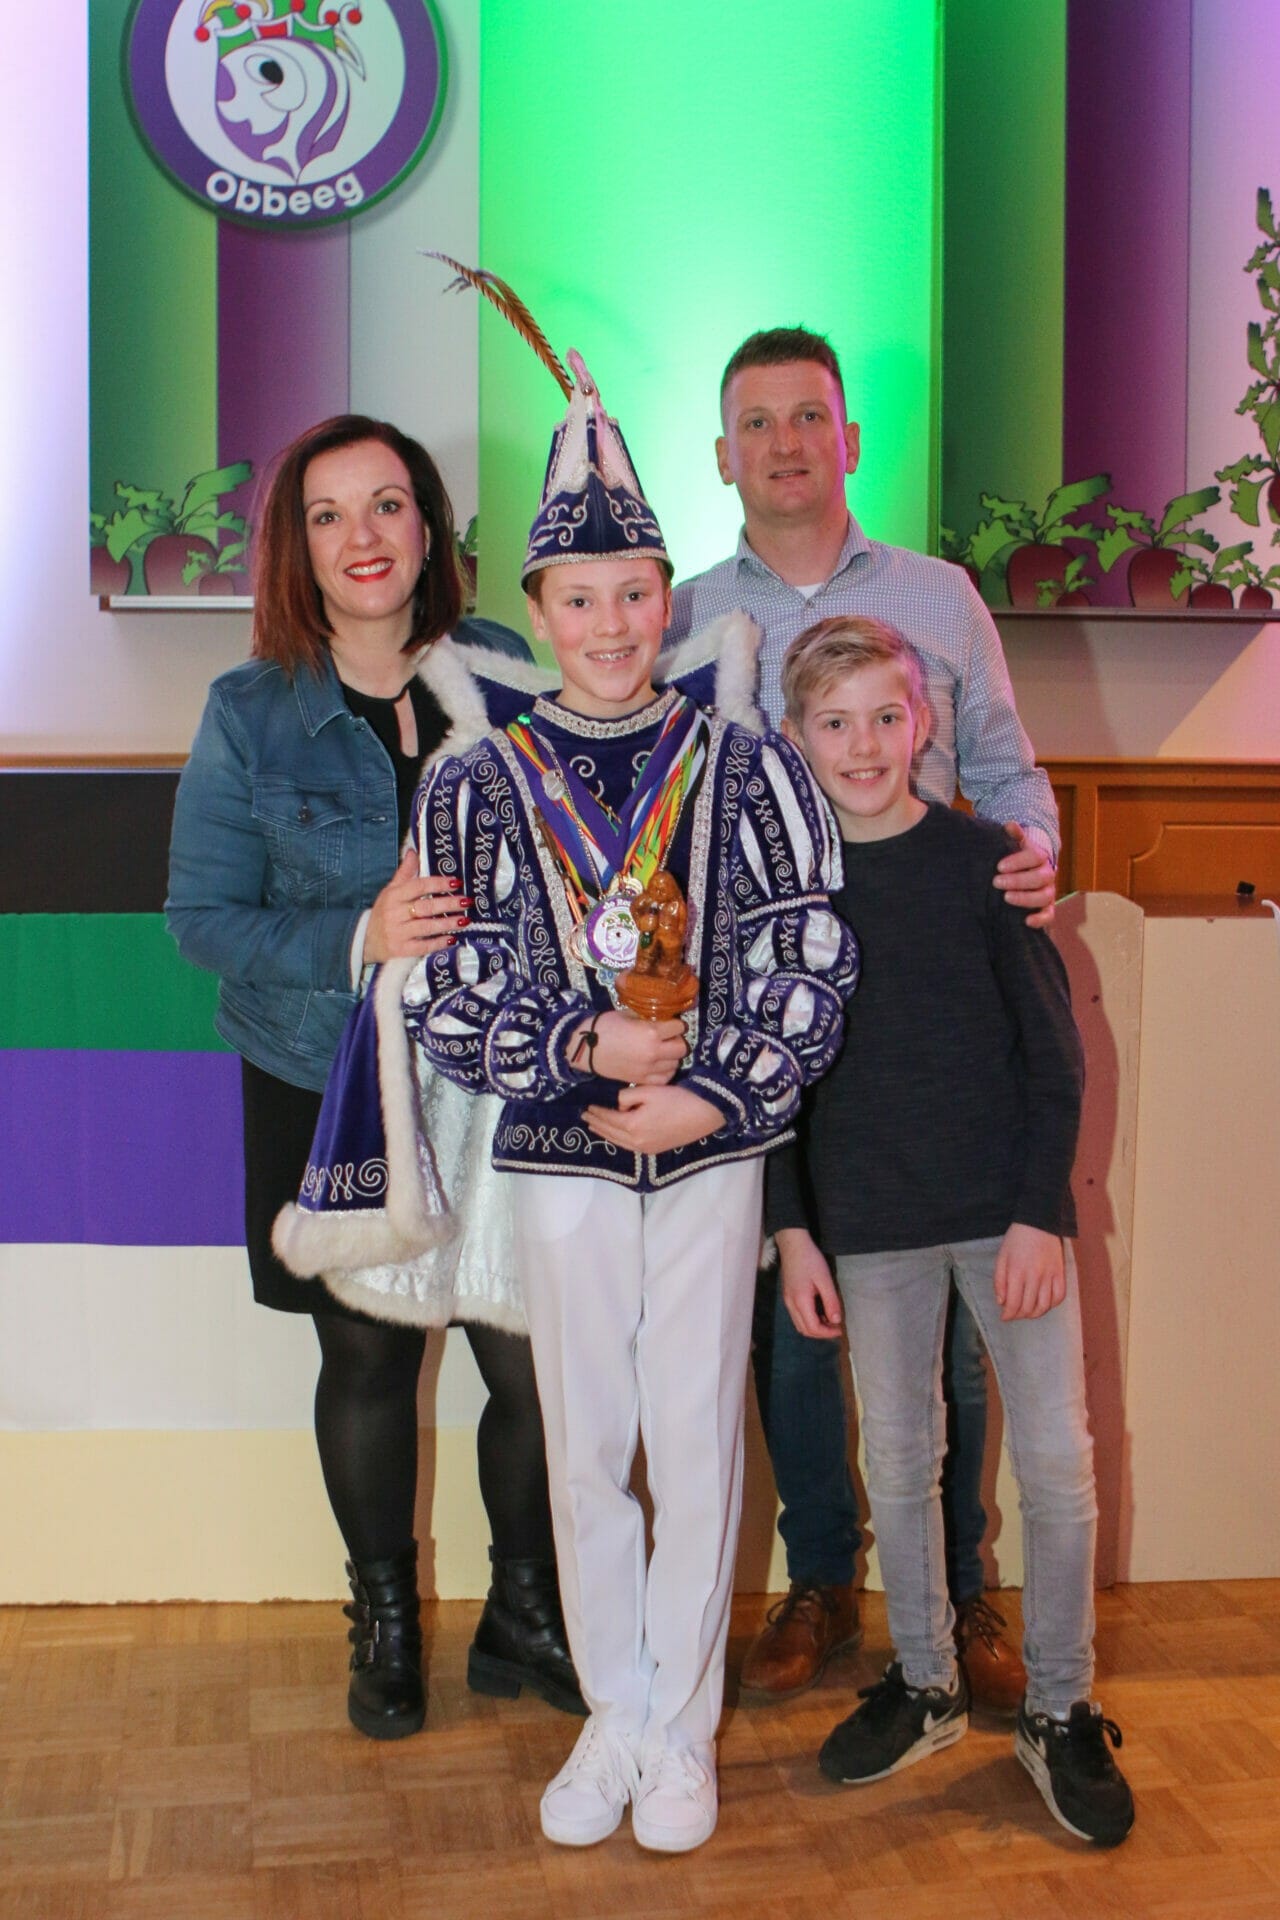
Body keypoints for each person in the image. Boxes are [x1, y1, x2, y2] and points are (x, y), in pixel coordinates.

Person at [401, 354, 859, 1852]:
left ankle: (681, 1732)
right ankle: (613, 1708)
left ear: (670, 601)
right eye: (579, 598)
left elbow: (808, 951)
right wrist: (582, 1046)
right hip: (563, 1151)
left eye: (635, 594)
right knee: (585, 1440)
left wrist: (712, 1093)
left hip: (708, 1154)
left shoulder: (751, 765)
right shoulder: (476, 783)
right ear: (536, 613)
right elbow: (451, 984)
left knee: (698, 1438)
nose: (610, 625)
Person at [166, 413, 582, 1741]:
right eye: (328, 513)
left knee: (533, 1357)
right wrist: (362, 933)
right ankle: (386, 1625)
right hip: (322, 1071)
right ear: (297, 546)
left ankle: (523, 1617)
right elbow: (201, 919)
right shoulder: (249, 711)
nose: (363, 536)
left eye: (387, 504)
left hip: (504, 1076)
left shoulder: (508, 669)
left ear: (429, 525)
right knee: (366, 1356)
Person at [666, 326, 1061, 1710]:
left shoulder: (940, 600)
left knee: (951, 1327)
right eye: (755, 421)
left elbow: (1006, 769)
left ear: (847, 439)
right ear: (722, 454)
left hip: (936, 1005)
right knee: (799, 1311)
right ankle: (822, 1579)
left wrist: (1029, 849)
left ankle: (956, 1589)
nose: (783, 442)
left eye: (807, 417)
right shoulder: (681, 618)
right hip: (767, 1009)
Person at [768, 614, 1134, 1847]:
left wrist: (1038, 1213)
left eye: (885, 715)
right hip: (867, 1226)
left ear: (921, 721)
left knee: (1056, 1465)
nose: (863, 743)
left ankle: (1060, 1705)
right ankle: (923, 1680)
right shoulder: (788, 892)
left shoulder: (987, 864)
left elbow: (1053, 1058)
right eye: (834, 723)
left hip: (1002, 1220)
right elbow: (772, 1080)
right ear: (795, 737)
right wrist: (793, 1233)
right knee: (897, 1462)